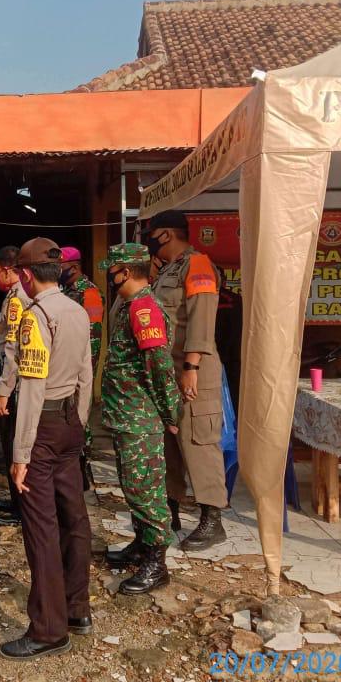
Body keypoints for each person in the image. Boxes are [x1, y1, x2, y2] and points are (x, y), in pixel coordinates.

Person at [0, 237, 93, 661]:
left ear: (25, 275)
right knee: (73, 516)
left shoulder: (35, 318)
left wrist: (21, 455)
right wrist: (81, 422)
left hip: (43, 424)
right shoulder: (77, 309)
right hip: (72, 420)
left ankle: (48, 629)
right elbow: (89, 372)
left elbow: (32, 387)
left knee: (40, 527)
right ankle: (77, 609)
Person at [141, 210, 227, 550]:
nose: (148, 240)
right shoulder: (167, 271)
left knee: (198, 441)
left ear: (166, 235)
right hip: (167, 370)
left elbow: (201, 318)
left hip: (195, 370)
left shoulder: (198, 265)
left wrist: (191, 366)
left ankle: (212, 518)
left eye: (152, 233)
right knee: (168, 442)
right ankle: (170, 507)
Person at [99, 244, 181, 594]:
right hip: (125, 414)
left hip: (139, 416)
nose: (109, 277)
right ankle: (142, 544)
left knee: (146, 491)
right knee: (133, 487)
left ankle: (156, 563)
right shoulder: (130, 306)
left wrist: (169, 411)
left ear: (127, 272)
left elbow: (159, 366)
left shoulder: (144, 309)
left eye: (113, 271)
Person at [0, 245, 31, 526]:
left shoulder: (17, 300)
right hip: (10, 378)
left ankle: (22, 507)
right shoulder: (16, 297)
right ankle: (17, 499)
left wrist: (4, 391)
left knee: (14, 443)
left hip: (12, 382)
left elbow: (14, 349)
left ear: (7, 270)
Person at [58, 247, 104, 373]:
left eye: (59, 266)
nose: (57, 270)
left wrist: (86, 372)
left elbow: (93, 336)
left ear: (74, 268)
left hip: (78, 366)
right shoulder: (64, 290)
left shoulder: (90, 293)